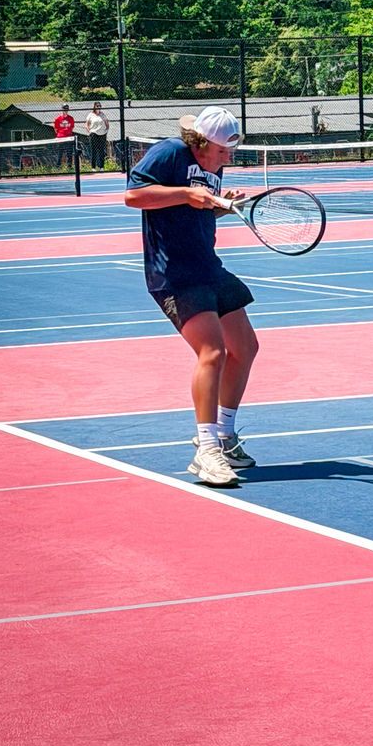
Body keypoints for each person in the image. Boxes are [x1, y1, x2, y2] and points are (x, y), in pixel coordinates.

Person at [124, 105, 258, 487]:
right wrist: (186, 193)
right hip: (174, 272)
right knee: (212, 353)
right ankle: (206, 449)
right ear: (201, 143)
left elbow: (195, 211)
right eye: (223, 151)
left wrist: (220, 205)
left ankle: (226, 436)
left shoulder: (215, 165)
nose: (228, 157)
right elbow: (133, 197)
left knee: (245, 347)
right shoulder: (169, 153)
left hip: (208, 266)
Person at [84, 101, 110, 169]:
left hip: (102, 134)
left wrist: (106, 130)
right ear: (94, 107)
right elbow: (86, 124)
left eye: (99, 106)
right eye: (97, 106)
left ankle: (101, 166)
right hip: (94, 134)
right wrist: (89, 131)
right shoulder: (90, 115)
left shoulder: (102, 115)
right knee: (94, 150)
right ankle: (93, 167)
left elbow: (107, 123)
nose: (98, 107)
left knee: (101, 150)